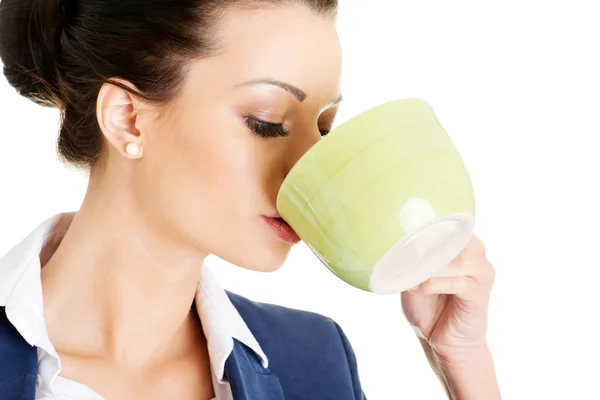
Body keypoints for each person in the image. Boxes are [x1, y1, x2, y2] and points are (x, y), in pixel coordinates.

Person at [0, 0, 501, 398]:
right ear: (127, 118)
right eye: (267, 122)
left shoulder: (315, 362)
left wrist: (463, 363)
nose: (310, 169)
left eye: (324, 129)